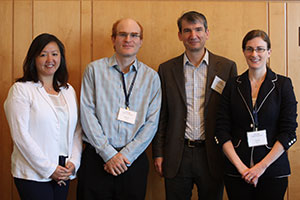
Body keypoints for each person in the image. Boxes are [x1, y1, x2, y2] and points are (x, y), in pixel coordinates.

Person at [152, 11, 237, 200]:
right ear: (180, 35)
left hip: (213, 155)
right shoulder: (166, 69)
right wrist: (158, 153)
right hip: (177, 155)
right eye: (187, 30)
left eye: (198, 29)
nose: (193, 35)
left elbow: (231, 115)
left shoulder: (227, 67)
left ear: (207, 33)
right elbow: (161, 115)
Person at [77, 18, 161, 200]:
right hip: (97, 158)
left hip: (133, 161)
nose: (128, 39)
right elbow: (87, 114)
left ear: (141, 41)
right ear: (113, 39)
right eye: (122, 34)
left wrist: (124, 156)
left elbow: (152, 123)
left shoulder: (151, 77)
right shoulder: (94, 71)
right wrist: (108, 154)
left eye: (134, 35)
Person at [215, 29, 298, 200]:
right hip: (237, 172)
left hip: (273, 171)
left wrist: (260, 167)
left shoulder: (283, 84)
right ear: (244, 52)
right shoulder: (232, 85)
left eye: (260, 49)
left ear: (269, 52)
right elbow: (221, 129)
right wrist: (241, 168)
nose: (254, 54)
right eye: (249, 49)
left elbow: (288, 131)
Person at [4, 33, 83, 200]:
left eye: (55, 54)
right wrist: (49, 169)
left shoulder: (68, 90)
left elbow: (76, 130)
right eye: (43, 54)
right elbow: (20, 136)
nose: (50, 59)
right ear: (33, 58)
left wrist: (73, 163)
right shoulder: (21, 89)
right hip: (32, 174)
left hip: (63, 171)